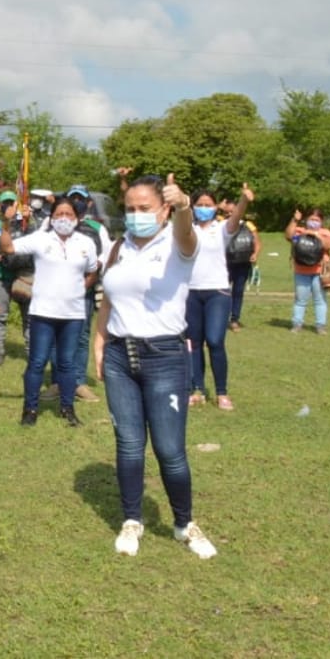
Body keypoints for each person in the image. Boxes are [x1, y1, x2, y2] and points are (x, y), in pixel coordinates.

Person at [93, 174, 217, 560]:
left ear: (163, 210)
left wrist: (183, 207)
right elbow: (107, 302)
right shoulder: (118, 248)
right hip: (119, 356)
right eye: (130, 209)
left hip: (165, 357)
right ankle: (132, 520)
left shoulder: (178, 243)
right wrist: (100, 345)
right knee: (129, 445)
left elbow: (187, 235)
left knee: (169, 449)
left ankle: (184, 524)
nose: (136, 216)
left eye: (144, 208)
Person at [0, 195, 99, 427]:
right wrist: (5, 223)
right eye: (58, 215)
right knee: (37, 362)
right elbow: (7, 247)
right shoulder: (40, 239)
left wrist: (81, 287)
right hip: (43, 312)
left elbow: (94, 269)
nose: (64, 219)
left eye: (69, 215)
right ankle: (30, 409)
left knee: (67, 364)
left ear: (77, 218)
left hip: (73, 314)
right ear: (51, 217)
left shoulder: (86, 243)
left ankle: (67, 408)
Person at [187, 185, 253, 410]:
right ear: (193, 207)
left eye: (208, 205)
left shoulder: (223, 228)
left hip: (217, 292)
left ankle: (222, 392)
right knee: (193, 343)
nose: (204, 209)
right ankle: (197, 389)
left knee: (215, 340)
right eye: (200, 205)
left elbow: (236, 217)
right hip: (190, 292)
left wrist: (243, 200)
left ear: (216, 207)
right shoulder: (186, 229)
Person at [65, 184, 109, 403]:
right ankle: (59, 381)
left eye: (80, 198)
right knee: (58, 336)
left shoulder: (96, 228)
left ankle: (79, 383)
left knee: (81, 336)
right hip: (59, 290)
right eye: (72, 197)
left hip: (85, 288)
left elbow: (105, 256)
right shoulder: (54, 224)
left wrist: (89, 277)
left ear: (88, 203)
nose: (76, 202)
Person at [0, 191, 34, 366]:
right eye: (5, 203)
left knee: (29, 316)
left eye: (12, 203)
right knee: (0, 313)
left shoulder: (28, 223)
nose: (9, 207)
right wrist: (8, 223)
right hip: (2, 273)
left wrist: (28, 220)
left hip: (25, 276)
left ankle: (31, 352)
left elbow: (37, 240)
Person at [284, 207, 330, 334]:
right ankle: (297, 324)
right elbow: (289, 236)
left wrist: (316, 235)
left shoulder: (325, 233)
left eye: (316, 220)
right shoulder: (300, 231)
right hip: (301, 270)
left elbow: (329, 245)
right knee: (300, 299)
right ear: (306, 220)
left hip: (319, 271)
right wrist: (295, 220)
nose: (313, 222)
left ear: (321, 221)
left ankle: (320, 326)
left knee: (320, 299)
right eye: (311, 219)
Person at [219, 196, 260, 331]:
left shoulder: (248, 225)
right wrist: (219, 207)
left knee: (238, 291)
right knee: (221, 291)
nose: (230, 214)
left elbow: (257, 242)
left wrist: (255, 254)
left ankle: (234, 319)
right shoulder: (220, 223)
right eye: (227, 212)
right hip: (224, 263)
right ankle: (219, 317)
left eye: (233, 211)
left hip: (242, 263)